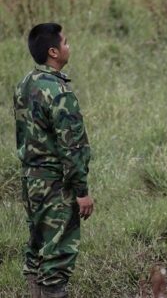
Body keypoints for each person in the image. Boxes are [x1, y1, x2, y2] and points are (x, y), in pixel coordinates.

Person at [14, 23, 93, 298]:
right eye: (66, 42)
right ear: (53, 52)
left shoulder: (25, 84)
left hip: (31, 181)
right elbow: (71, 147)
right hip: (56, 185)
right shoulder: (59, 92)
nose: (69, 46)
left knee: (37, 249)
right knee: (57, 255)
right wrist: (81, 192)